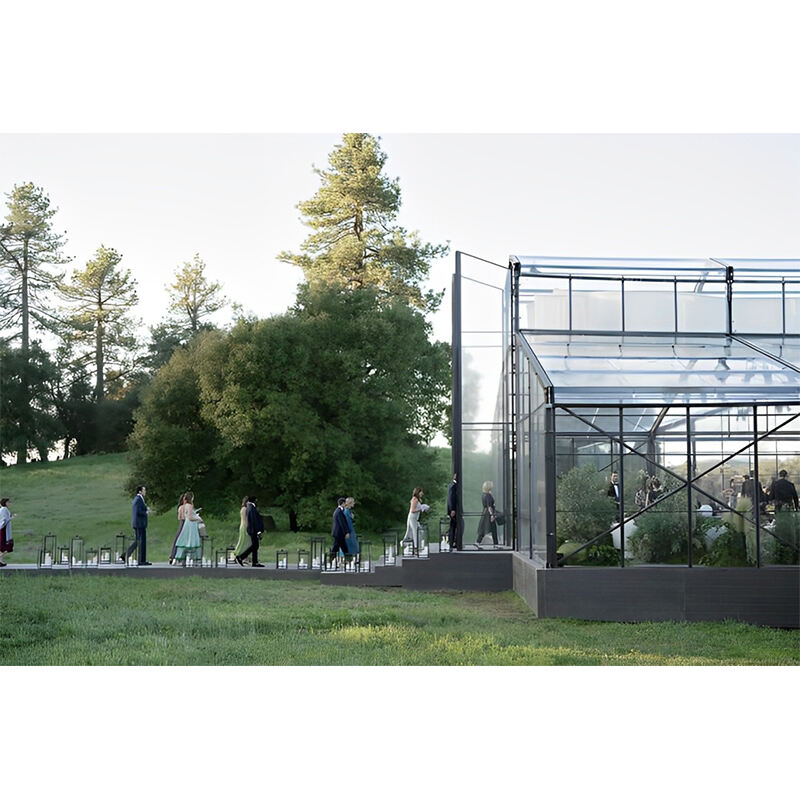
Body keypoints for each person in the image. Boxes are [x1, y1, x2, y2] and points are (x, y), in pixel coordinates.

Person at [173, 491, 203, 565]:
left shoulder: (184, 506)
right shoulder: (189, 506)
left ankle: (179, 559)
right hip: (190, 525)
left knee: (184, 539)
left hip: (186, 523)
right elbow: (190, 517)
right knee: (191, 540)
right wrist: (198, 519)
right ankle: (194, 559)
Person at [124, 485, 151, 565]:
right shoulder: (138, 499)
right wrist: (146, 512)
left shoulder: (140, 499)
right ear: (140, 491)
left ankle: (125, 556)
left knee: (138, 541)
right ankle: (141, 560)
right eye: (144, 490)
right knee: (141, 542)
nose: (145, 492)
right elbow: (137, 511)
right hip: (139, 524)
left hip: (140, 524)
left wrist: (146, 509)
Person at [235, 495, 265, 567]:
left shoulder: (249, 507)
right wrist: (258, 530)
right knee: (255, 546)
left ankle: (252, 561)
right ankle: (243, 557)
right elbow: (254, 520)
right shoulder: (251, 508)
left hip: (252, 529)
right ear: (255, 500)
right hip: (253, 530)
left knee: (255, 546)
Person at [328, 497, 350, 566]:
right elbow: (342, 523)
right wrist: (346, 532)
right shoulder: (339, 512)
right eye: (345, 503)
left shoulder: (338, 511)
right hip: (339, 533)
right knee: (336, 547)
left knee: (343, 547)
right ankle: (331, 560)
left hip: (338, 533)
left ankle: (348, 560)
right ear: (342, 503)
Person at [476, 480, 498, 546]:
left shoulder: (484, 495)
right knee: (493, 528)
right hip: (489, 514)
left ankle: (478, 541)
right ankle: (495, 543)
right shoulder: (488, 495)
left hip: (485, 513)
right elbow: (489, 506)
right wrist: (492, 515)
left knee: (483, 527)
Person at [168, 492, 187, 565]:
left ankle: (180, 556)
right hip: (182, 523)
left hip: (186, 523)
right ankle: (173, 556)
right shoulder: (181, 507)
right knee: (178, 538)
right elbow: (180, 518)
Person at [0, 497, 17, 567]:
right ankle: (0, 559)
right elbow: (4, 520)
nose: (10, 503)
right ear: (5, 503)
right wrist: (11, 518)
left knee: (4, 546)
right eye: (8, 502)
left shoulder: (3, 509)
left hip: (3, 529)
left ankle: (1, 560)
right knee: (7, 546)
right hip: (4, 530)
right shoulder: (4, 509)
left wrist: (11, 517)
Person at [447, 474, 461, 550]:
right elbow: (451, 498)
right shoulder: (453, 486)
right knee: (453, 526)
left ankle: (453, 542)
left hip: (454, 510)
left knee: (453, 526)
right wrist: (452, 509)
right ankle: (452, 543)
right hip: (454, 510)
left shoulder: (452, 485)